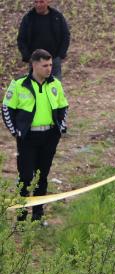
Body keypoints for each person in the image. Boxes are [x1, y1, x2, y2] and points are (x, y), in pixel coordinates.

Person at [2, 49, 68, 222]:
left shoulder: (55, 84)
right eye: (45, 65)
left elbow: (63, 107)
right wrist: (15, 131)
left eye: (51, 65)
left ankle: (38, 216)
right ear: (34, 65)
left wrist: (61, 127)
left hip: (49, 137)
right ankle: (21, 217)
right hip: (28, 138)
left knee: (42, 177)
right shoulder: (18, 84)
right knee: (25, 177)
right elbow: (6, 109)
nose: (49, 69)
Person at [17, 0, 70, 80]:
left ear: (48, 2)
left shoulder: (57, 16)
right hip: (35, 61)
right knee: (36, 88)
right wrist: (28, 57)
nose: (38, 5)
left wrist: (61, 54)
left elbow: (65, 35)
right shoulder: (28, 18)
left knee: (54, 89)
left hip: (54, 60)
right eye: (36, 2)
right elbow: (21, 39)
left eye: (41, 2)